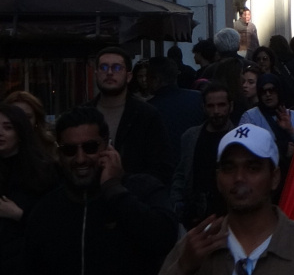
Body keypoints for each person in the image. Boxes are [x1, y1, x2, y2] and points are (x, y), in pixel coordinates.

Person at [159, 123, 294, 274]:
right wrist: (182, 267)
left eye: (253, 168)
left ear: (274, 178)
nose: (239, 178)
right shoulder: (196, 247)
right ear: (218, 178)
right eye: (229, 168)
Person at [24, 107, 178, 275]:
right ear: (60, 154)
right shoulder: (47, 210)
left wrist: (114, 189)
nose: (80, 158)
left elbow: (164, 238)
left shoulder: (142, 189)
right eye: (70, 150)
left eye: (90, 147)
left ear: (108, 146)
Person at [89, 47, 174, 185]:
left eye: (116, 68)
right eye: (104, 67)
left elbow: (162, 168)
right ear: (96, 73)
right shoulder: (84, 114)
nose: (109, 73)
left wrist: (125, 178)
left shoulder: (146, 115)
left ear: (128, 76)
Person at [0, 103, 59, 273]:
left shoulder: (42, 171)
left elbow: (53, 222)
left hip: (27, 260)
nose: (0, 133)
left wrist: (18, 214)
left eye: (7, 127)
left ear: (20, 132)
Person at [172, 83, 235, 228]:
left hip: (229, 216)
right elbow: (181, 173)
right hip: (196, 218)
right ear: (204, 107)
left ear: (230, 106)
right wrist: (178, 203)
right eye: (211, 106)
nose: (216, 111)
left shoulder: (238, 139)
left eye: (221, 105)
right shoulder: (190, 137)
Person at [238, 74, 294, 188]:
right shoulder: (250, 117)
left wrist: (290, 129)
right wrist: (280, 148)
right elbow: (244, 148)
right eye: (263, 91)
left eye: (272, 90)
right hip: (264, 181)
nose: (268, 95)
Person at [146, 57, 205, 167]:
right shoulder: (199, 98)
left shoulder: (148, 109)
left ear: (156, 79)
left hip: (164, 170)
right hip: (196, 164)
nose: (146, 82)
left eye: (148, 78)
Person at [4, 91, 56, 157]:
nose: (22, 121)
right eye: (16, 116)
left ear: (36, 119)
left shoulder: (48, 146)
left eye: (27, 117)